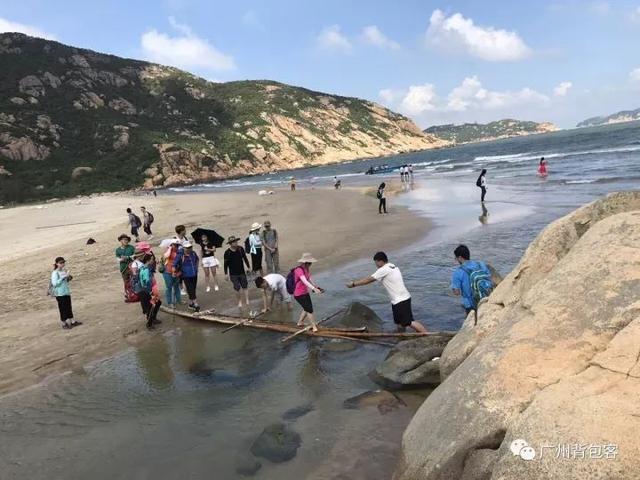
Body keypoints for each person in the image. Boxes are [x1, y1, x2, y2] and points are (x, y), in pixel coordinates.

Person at [346, 252, 427, 333]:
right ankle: (401, 337)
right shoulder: (392, 266)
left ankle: (427, 335)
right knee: (399, 322)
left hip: (401, 300)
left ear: (380, 261)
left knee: (408, 322)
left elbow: (369, 280)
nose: (376, 265)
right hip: (400, 299)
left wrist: (353, 284)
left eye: (376, 262)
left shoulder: (384, 269)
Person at [450, 244, 492, 315]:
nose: (456, 259)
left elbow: (457, 293)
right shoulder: (481, 264)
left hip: (471, 305)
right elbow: (489, 278)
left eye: (456, 258)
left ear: (460, 257)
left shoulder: (458, 272)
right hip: (486, 298)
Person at [292, 253, 324, 332]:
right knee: (309, 309)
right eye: (310, 263)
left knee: (307, 308)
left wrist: (315, 286)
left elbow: (309, 278)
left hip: (305, 292)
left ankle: (300, 322)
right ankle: (314, 327)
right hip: (298, 294)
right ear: (305, 263)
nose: (311, 264)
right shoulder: (298, 270)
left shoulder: (306, 269)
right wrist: (313, 288)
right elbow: (304, 280)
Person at [50, 257, 82, 330]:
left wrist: (68, 278)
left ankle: (72, 321)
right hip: (60, 294)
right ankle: (64, 323)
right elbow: (54, 283)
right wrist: (63, 278)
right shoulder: (55, 273)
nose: (62, 264)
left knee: (68, 307)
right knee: (63, 308)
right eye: (61, 263)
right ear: (57, 264)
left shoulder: (63, 271)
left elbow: (66, 281)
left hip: (66, 292)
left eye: (63, 262)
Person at [224, 235, 251, 308]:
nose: (235, 243)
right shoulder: (227, 252)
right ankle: (239, 301)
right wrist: (226, 274)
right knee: (237, 288)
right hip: (233, 274)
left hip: (242, 272)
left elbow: (245, 258)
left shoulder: (240, 249)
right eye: (233, 242)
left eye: (236, 241)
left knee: (245, 286)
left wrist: (248, 267)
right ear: (230, 244)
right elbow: (225, 264)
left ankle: (247, 299)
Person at [173, 242, 200, 312]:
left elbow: (197, 259)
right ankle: (195, 303)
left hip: (194, 274)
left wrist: (196, 268)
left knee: (193, 288)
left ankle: (191, 304)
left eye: (190, 247)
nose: (189, 249)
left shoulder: (193, 253)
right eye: (187, 247)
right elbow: (174, 264)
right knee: (190, 289)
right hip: (186, 275)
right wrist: (174, 272)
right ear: (184, 248)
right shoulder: (180, 255)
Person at [138, 253, 162, 329]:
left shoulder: (143, 268)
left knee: (156, 303)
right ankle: (149, 324)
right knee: (151, 307)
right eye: (152, 259)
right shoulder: (146, 270)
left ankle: (152, 319)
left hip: (144, 290)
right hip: (147, 291)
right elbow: (147, 282)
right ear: (148, 260)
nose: (153, 260)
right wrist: (151, 292)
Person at [115, 234, 135, 302]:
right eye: (124, 240)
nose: (125, 241)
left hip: (132, 266)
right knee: (126, 282)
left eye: (126, 240)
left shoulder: (131, 248)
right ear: (120, 241)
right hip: (123, 267)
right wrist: (121, 259)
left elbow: (135, 255)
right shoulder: (118, 250)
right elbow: (117, 258)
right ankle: (128, 294)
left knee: (134, 280)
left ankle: (135, 294)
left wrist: (127, 257)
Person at [162, 239, 181, 308]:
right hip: (167, 271)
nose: (176, 247)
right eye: (175, 245)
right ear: (171, 245)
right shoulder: (168, 251)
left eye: (177, 245)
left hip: (176, 271)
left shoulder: (179, 252)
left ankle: (179, 300)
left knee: (176, 286)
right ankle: (170, 302)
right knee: (169, 287)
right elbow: (165, 256)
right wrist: (170, 249)